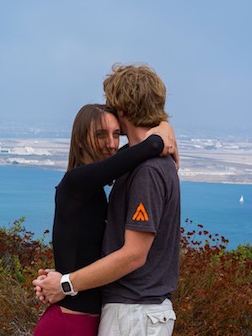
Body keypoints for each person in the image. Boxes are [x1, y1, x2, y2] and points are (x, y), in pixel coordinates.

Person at [34, 63, 181, 336]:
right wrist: (163, 131)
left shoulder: (145, 169)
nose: (112, 143)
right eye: (101, 135)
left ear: (121, 110)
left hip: (130, 316)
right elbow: (140, 149)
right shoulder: (83, 181)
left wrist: (65, 282)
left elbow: (132, 255)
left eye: (115, 133)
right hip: (82, 319)